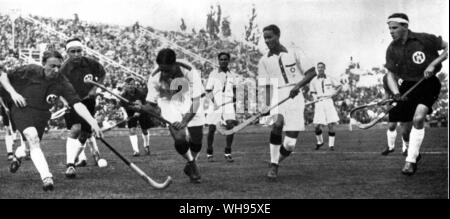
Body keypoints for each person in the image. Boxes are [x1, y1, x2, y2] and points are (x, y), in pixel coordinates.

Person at [0, 50, 102, 191]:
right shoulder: (30, 70)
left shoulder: (61, 81)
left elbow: (77, 104)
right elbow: (3, 76)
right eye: (52, 66)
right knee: (33, 137)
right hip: (22, 108)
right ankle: (47, 178)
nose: (55, 70)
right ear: (43, 64)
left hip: (42, 114)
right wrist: (13, 93)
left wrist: (92, 121)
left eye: (58, 66)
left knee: (29, 146)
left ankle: (18, 155)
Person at [385, 13, 448, 175]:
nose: (391, 31)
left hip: (428, 83)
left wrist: (433, 64)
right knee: (405, 130)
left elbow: (447, 47)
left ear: (405, 26)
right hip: (407, 86)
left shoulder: (424, 39)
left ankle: (410, 162)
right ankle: (413, 151)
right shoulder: (392, 48)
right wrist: (396, 93)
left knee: (418, 118)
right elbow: (390, 75)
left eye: (394, 28)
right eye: (389, 28)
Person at [132, 48, 205, 183]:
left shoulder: (189, 70)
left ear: (174, 64)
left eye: (167, 70)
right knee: (180, 138)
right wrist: (141, 107)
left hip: (189, 99)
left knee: (197, 140)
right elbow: (151, 105)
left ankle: (191, 164)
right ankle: (192, 163)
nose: (164, 73)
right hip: (168, 101)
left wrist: (184, 121)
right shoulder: (154, 77)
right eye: (161, 69)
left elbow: (196, 101)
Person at [257, 25, 316, 180]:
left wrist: (298, 86)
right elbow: (265, 85)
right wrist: (265, 105)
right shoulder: (264, 60)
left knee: (290, 144)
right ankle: (274, 166)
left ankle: (274, 162)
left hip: (296, 96)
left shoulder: (294, 51)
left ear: (278, 35)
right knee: (277, 124)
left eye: (270, 37)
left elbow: (312, 72)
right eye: (265, 38)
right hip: (278, 94)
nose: (267, 41)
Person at [60, 38, 106, 178]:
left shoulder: (91, 63)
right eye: (72, 51)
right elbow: (58, 87)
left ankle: (75, 159)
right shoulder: (64, 69)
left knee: (85, 134)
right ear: (67, 53)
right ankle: (70, 165)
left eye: (78, 51)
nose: (76, 54)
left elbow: (102, 74)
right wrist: (64, 101)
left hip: (89, 101)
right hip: (73, 102)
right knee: (75, 129)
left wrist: (94, 89)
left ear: (82, 51)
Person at [204, 52, 238, 162]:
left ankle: (228, 152)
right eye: (221, 59)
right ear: (218, 61)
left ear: (228, 61)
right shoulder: (213, 74)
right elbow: (208, 90)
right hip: (216, 104)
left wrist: (234, 98)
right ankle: (209, 153)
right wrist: (214, 102)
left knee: (231, 127)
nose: (223, 61)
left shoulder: (232, 74)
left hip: (228, 105)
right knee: (212, 129)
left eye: (225, 59)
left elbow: (234, 89)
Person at [309, 62, 342, 151]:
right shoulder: (313, 80)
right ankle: (320, 142)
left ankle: (331, 145)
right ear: (317, 68)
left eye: (322, 67)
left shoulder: (330, 78)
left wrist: (334, 93)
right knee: (316, 125)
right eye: (318, 67)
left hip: (328, 101)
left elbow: (339, 86)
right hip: (319, 102)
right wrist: (315, 98)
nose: (320, 69)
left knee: (330, 124)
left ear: (324, 68)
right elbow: (312, 92)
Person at [120, 76, 155, 156]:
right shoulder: (123, 95)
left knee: (144, 130)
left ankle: (146, 146)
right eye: (128, 84)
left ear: (135, 84)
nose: (130, 86)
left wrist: (139, 112)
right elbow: (123, 106)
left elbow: (146, 105)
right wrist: (126, 115)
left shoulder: (141, 93)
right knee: (132, 130)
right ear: (125, 85)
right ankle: (136, 151)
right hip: (130, 113)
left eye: (132, 84)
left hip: (142, 111)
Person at [380, 74, 411, 156]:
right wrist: (383, 100)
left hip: (407, 104)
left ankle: (406, 148)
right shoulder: (386, 77)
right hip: (394, 103)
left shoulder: (407, 73)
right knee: (391, 126)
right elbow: (387, 93)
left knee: (405, 132)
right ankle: (390, 147)